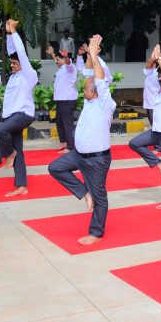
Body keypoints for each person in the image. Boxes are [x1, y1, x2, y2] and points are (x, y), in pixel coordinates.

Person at [47, 36, 117, 246]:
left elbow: (99, 79)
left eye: (85, 89)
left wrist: (95, 56)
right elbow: (89, 73)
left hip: (97, 160)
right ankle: (84, 193)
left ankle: (96, 232)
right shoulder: (89, 101)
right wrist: (89, 54)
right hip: (79, 156)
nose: (82, 91)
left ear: (93, 92)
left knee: (100, 197)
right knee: (55, 168)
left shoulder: (105, 102)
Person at [128, 44, 161, 208]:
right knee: (134, 143)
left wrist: (160, 59)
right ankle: (155, 162)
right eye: (159, 76)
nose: (160, 77)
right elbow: (147, 71)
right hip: (157, 132)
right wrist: (153, 58)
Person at [0, 19, 38, 198]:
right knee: (19, 151)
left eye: (15, 63)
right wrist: (7, 34)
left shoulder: (28, 75)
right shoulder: (13, 78)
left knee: (0, 132)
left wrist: (14, 32)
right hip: (12, 116)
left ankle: (8, 153)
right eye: (11, 63)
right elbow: (12, 51)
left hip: (23, 115)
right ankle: (22, 185)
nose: (12, 65)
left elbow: (19, 52)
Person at [46, 44, 78, 153]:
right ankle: (63, 143)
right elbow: (57, 59)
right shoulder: (61, 68)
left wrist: (67, 57)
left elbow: (68, 63)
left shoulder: (70, 68)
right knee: (59, 122)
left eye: (59, 60)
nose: (56, 61)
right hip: (61, 100)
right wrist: (52, 53)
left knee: (67, 124)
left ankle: (71, 147)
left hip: (68, 101)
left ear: (64, 59)